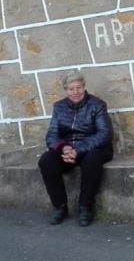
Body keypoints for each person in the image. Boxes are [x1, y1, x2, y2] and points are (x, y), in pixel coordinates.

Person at [38, 70, 113, 227]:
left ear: (84, 87)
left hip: (94, 148)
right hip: (68, 150)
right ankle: (60, 206)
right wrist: (64, 149)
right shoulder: (59, 107)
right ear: (66, 90)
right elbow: (52, 135)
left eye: (79, 87)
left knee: (92, 160)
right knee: (46, 161)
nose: (75, 92)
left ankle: (85, 206)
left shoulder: (97, 105)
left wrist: (77, 149)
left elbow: (104, 134)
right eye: (71, 89)